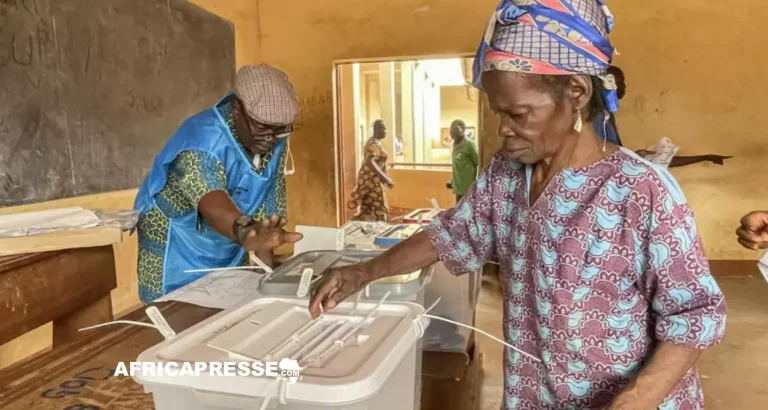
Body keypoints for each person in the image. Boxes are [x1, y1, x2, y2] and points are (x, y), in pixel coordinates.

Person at [309, 2, 726, 409]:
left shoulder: (641, 191)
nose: (502, 129)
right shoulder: (505, 176)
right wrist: (364, 272)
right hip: (536, 392)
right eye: (497, 113)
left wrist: (635, 401)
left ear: (577, 93)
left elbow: (696, 315)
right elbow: (452, 233)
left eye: (518, 114)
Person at [133, 64, 303, 304]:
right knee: (177, 317)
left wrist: (266, 279)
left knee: (230, 310)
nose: (271, 139)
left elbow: (267, 216)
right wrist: (245, 231)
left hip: (230, 238)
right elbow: (212, 202)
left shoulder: (272, 138)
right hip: (177, 244)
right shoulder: (202, 139)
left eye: (281, 131)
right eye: (263, 128)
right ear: (236, 109)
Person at [596, 66, 731, 168]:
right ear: (607, 85)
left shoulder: (606, 114)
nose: (624, 86)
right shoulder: (598, 117)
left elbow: (613, 154)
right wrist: (632, 157)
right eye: (620, 82)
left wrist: (634, 155)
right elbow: (603, 158)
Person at [348, 120, 394, 221]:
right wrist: (385, 178)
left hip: (371, 180)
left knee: (368, 209)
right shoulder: (374, 143)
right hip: (371, 181)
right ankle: (380, 232)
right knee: (379, 209)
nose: (386, 131)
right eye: (384, 129)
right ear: (377, 129)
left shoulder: (375, 142)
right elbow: (369, 161)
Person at [447, 120, 479, 203]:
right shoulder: (454, 145)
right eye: (451, 131)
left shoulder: (469, 144)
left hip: (468, 190)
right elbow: (457, 165)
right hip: (458, 188)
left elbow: (479, 162)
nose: (452, 134)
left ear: (461, 131)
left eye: (454, 132)